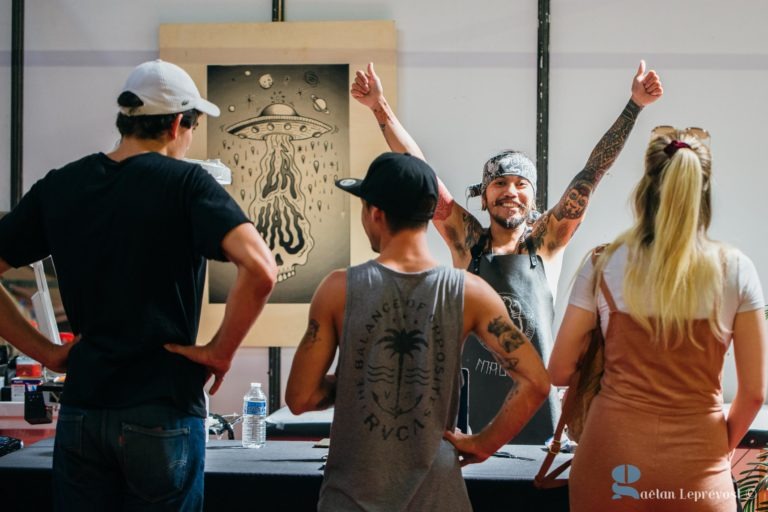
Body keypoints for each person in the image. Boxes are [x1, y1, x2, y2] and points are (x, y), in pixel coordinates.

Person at [0, 59, 277, 510]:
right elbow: (261, 268)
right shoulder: (188, 184)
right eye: (192, 127)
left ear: (126, 120)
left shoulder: (62, 185)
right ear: (175, 125)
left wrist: (46, 353)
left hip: (84, 408)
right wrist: (219, 352)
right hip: (162, 406)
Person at [350, 60, 663, 444]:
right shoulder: (467, 243)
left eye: (520, 184)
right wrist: (379, 107)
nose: (510, 191)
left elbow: (591, 172)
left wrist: (634, 105)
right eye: (499, 183)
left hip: (540, 414)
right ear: (484, 196)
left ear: (534, 198)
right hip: (469, 420)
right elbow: (421, 173)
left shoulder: (547, 242)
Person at [285, 152, 550, 511]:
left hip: (352, 497)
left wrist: (357, 377)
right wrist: (483, 444)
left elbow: (300, 398)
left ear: (374, 212)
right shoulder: (471, 292)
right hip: (439, 498)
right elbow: (536, 382)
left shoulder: (337, 289)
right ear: (428, 215)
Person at [548, 127, 767, 511]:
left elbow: (560, 371)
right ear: (704, 194)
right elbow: (754, 394)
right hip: (698, 467)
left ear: (644, 192)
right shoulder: (736, 270)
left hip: (611, 461)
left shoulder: (604, 265)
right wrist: (715, 451)